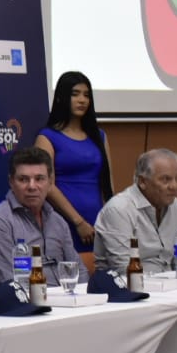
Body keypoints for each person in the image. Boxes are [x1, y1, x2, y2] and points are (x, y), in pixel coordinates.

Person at [0, 147, 87, 286]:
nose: (32, 186)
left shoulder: (57, 221)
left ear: (50, 182)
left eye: (39, 179)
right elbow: (9, 284)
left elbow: (79, 272)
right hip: (28, 298)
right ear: (11, 182)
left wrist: (83, 295)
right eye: (23, 179)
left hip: (67, 297)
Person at [34, 71, 115, 252]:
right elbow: (47, 185)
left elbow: (107, 182)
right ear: (61, 97)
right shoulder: (47, 137)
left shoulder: (99, 136)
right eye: (75, 94)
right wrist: (78, 222)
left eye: (86, 95)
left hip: (98, 222)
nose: (82, 100)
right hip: (63, 221)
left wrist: (110, 221)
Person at [93, 148, 177, 275]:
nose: (174, 186)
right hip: (128, 284)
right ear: (143, 182)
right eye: (165, 179)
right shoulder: (119, 209)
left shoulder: (175, 205)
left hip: (170, 282)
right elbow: (124, 269)